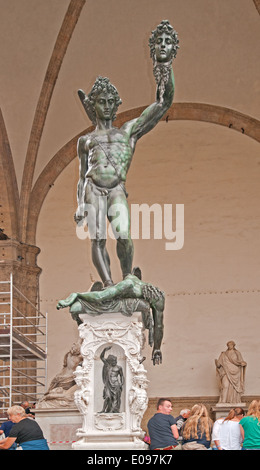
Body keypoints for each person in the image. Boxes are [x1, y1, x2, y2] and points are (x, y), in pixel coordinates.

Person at [75, 21, 178, 287]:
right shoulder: (85, 140)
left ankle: (127, 277)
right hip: (93, 188)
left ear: (117, 105)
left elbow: (162, 103)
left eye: (111, 102)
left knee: (124, 235)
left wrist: (164, 68)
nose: (107, 107)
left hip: (117, 188)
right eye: (101, 102)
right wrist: (79, 205)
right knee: (97, 238)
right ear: (93, 105)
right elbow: (81, 175)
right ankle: (109, 285)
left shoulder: (128, 132)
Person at [57, 270, 165, 365]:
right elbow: (100, 297)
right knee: (77, 307)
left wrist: (157, 348)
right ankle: (77, 295)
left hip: (118, 297)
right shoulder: (129, 284)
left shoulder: (158, 298)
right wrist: (77, 295)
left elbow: (159, 326)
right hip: (110, 297)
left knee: (143, 306)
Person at [100, 346, 124, 413]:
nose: (115, 362)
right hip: (108, 384)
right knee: (107, 397)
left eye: (116, 361)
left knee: (115, 398)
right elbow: (101, 357)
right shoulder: (107, 365)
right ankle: (103, 410)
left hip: (116, 384)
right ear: (110, 361)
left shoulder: (119, 368)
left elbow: (122, 376)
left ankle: (112, 410)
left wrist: (121, 383)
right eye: (113, 361)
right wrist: (104, 349)